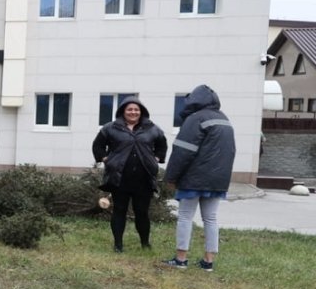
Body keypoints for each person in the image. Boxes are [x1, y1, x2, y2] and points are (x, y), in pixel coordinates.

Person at [163, 84, 237, 272]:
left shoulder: (195, 119)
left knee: (185, 217)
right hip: (218, 180)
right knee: (211, 219)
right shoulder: (224, 119)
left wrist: (171, 177)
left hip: (193, 179)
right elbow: (231, 151)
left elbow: (182, 152)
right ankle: (208, 261)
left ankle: (180, 259)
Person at [93, 97, 168, 252]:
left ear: (141, 112)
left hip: (144, 179)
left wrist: (157, 158)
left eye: (136, 110)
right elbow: (98, 146)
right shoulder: (110, 128)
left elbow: (162, 145)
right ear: (122, 111)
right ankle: (118, 245)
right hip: (119, 178)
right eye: (129, 109)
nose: (133, 112)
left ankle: (145, 244)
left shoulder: (152, 128)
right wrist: (106, 158)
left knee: (142, 212)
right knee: (119, 211)